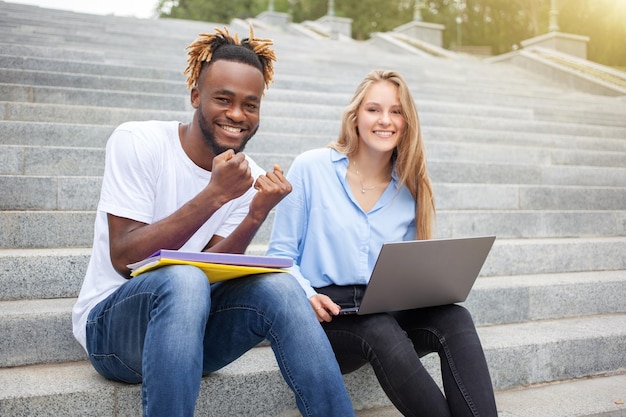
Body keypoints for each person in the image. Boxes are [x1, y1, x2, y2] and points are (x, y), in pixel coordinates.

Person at [71, 27, 357, 417]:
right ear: (195, 97)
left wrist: (255, 213)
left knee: (282, 286)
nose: (237, 115)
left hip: (192, 336)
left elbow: (213, 270)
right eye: (223, 99)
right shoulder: (138, 142)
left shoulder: (247, 174)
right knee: (183, 277)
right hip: (113, 335)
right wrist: (214, 194)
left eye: (250, 105)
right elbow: (124, 257)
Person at [267, 69, 499, 417]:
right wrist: (307, 295)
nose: (385, 120)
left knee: (456, 318)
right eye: (374, 109)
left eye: (396, 111)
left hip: (382, 307)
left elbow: (407, 271)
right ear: (356, 116)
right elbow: (280, 257)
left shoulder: (409, 188)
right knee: (378, 328)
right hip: (326, 317)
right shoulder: (311, 168)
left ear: (407, 122)